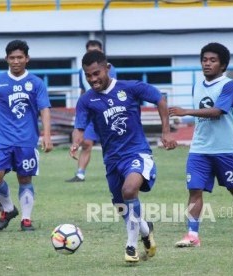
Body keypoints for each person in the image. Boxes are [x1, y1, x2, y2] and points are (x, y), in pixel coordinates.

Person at [70, 50, 177, 262]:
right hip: (112, 159)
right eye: (88, 75)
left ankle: (130, 247)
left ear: (107, 68)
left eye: (96, 73)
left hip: (137, 152)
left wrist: (166, 132)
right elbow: (79, 127)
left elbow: (160, 99)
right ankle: (146, 232)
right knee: (122, 206)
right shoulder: (86, 100)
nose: (92, 79)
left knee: (130, 190)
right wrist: (75, 141)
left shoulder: (130, 88)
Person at [169, 42, 233, 247]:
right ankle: (192, 235)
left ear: (223, 65)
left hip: (226, 150)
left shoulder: (229, 85)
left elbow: (217, 111)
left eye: (213, 60)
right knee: (194, 190)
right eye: (204, 60)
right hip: (199, 149)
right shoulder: (197, 85)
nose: (207, 64)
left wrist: (186, 112)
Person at [0, 39, 53, 231]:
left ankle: (26, 220)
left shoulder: (36, 83)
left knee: (25, 179)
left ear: (27, 59)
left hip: (26, 139)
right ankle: (9, 208)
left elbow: (44, 109)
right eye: (12, 58)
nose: (16, 61)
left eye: (20, 57)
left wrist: (47, 135)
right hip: (2, 138)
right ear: (6, 59)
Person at [66, 40, 117, 182]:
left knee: (113, 143)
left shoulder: (110, 69)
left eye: (96, 51)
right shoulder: (81, 71)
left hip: (106, 111)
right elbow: (83, 89)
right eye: (90, 51)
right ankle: (80, 174)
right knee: (86, 142)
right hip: (90, 111)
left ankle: (119, 170)